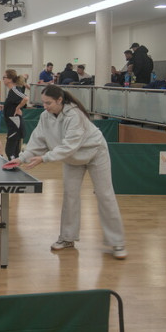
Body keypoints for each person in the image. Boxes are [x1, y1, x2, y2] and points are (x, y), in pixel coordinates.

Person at [15, 84, 127, 260]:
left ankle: (117, 242)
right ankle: (67, 238)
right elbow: (38, 140)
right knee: (70, 195)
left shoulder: (75, 115)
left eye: (48, 103)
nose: (45, 106)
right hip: (72, 158)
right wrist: (22, 158)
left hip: (95, 152)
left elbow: (69, 146)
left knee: (105, 195)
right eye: (43, 102)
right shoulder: (45, 116)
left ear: (60, 100)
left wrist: (44, 158)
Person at [2, 69, 28, 160]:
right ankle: (15, 165)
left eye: (4, 77)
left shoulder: (14, 90)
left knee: (9, 151)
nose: (3, 79)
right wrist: (4, 106)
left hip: (15, 125)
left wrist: (18, 108)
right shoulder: (12, 91)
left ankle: (13, 164)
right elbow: (13, 103)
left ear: (10, 79)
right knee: (15, 152)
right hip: (13, 124)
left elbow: (25, 98)